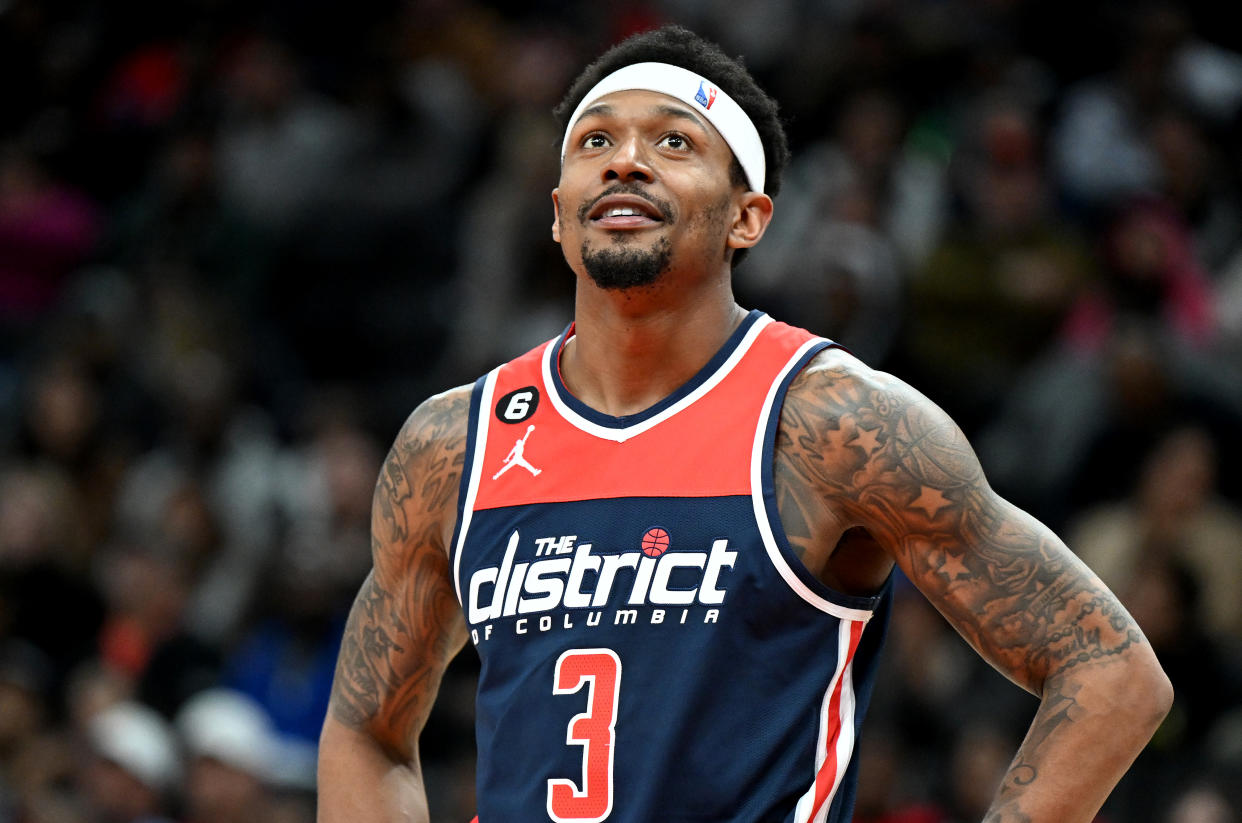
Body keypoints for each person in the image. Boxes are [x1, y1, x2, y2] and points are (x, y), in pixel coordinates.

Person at [317, 25, 1171, 823]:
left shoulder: (832, 423)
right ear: (557, 212)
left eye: (674, 142)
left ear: (747, 217)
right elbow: (365, 729)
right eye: (596, 141)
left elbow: (1111, 669)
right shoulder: (456, 442)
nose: (626, 163)